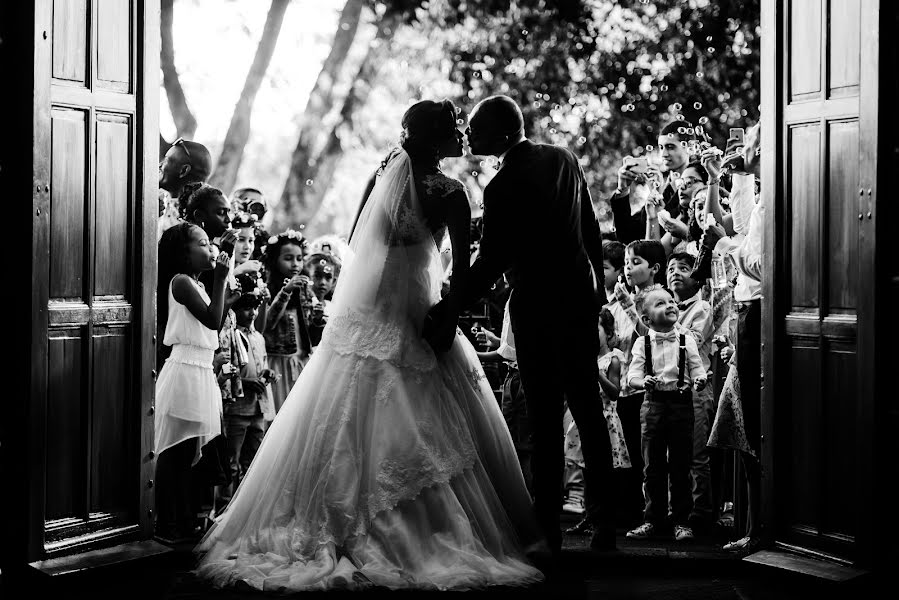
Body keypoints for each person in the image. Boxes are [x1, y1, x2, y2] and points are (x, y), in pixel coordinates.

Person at [195, 99, 546, 592]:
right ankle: (421, 535)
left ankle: (332, 521)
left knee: (336, 417)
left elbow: (362, 248)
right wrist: (447, 311)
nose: (463, 133)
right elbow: (464, 269)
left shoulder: (385, 178)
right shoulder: (451, 193)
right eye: (454, 128)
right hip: (418, 315)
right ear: (436, 139)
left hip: (370, 314)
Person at [427, 94, 616, 561]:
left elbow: (491, 262)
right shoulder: (563, 158)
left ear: (503, 132)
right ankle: (606, 523)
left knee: (547, 417)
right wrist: (598, 292)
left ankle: (548, 528)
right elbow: (590, 226)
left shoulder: (502, 185)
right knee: (589, 411)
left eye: (477, 128)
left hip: (536, 310)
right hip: (577, 301)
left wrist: (451, 305)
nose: (469, 136)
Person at [154, 222, 232, 543]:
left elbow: (215, 319)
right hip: (185, 370)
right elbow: (213, 320)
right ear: (183, 252)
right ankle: (165, 523)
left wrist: (231, 296)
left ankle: (184, 521)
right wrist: (223, 278)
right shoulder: (182, 282)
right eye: (202, 243)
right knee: (176, 453)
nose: (210, 249)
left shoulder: (198, 284)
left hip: (200, 370)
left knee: (190, 459)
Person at [625, 285, 707, 541]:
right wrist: (642, 382)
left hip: (682, 404)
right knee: (653, 466)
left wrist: (701, 380)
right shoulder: (642, 343)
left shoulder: (686, 339)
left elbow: (696, 368)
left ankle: (681, 520)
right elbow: (632, 377)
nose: (670, 305)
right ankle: (653, 519)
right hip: (653, 405)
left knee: (681, 465)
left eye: (671, 301)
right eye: (660, 304)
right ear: (647, 319)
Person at [566, 307, 632, 536]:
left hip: (606, 420)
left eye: (596, 328)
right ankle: (588, 516)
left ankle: (603, 518)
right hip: (584, 417)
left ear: (607, 331)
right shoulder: (582, 358)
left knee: (603, 473)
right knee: (586, 471)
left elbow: (615, 392)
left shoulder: (612, 359)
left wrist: (597, 373)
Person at [666, 252, 716, 533]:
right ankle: (677, 511)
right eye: (672, 268)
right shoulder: (664, 308)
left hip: (696, 389)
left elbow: (691, 342)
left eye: (684, 268)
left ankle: (701, 511)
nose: (676, 273)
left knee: (697, 454)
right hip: (670, 390)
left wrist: (667, 319)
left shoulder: (702, 309)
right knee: (674, 455)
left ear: (697, 278)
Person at [218, 279, 276, 510]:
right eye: (245, 308)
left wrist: (266, 374)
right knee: (231, 463)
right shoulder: (230, 335)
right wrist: (244, 381)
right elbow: (225, 370)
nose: (251, 313)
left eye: (255, 308)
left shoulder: (258, 338)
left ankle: (247, 509)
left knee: (252, 462)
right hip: (238, 409)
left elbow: (261, 364)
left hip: (258, 408)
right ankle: (224, 508)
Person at [474, 271, 532, 495]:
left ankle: (524, 498)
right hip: (518, 378)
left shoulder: (518, 298)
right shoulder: (518, 295)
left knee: (522, 446)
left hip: (520, 381)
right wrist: (495, 340)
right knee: (519, 443)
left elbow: (509, 354)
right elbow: (512, 347)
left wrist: (475, 354)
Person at [609, 121, 695, 244]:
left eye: (670, 147)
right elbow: (627, 236)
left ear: (689, 147)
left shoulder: (699, 186)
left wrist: (660, 201)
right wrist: (622, 189)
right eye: (661, 147)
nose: (664, 154)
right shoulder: (661, 187)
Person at [260, 230, 314, 414]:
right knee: (282, 412)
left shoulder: (306, 288)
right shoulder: (267, 289)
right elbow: (267, 324)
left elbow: (307, 327)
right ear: (275, 260)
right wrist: (286, 291)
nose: (295, 264)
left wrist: (317, 319)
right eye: (289, 258)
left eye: (299, 258)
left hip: (301, 360)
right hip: (279, 362)